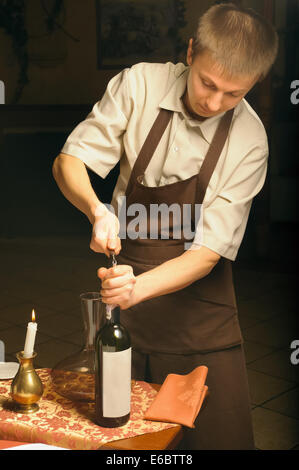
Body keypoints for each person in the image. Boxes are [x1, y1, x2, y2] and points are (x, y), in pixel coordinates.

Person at [52, 3, 278, 449]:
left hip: (202, 323)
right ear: (191, 51)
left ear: (254, 84)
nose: (213, 103)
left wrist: (138, 288)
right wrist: (96, 210)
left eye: (233, 94)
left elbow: (208, 253)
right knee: (125, 445)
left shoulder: (250, 139)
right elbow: (69, 161)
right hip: (126, 319)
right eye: (207, 84)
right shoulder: (139, 84)